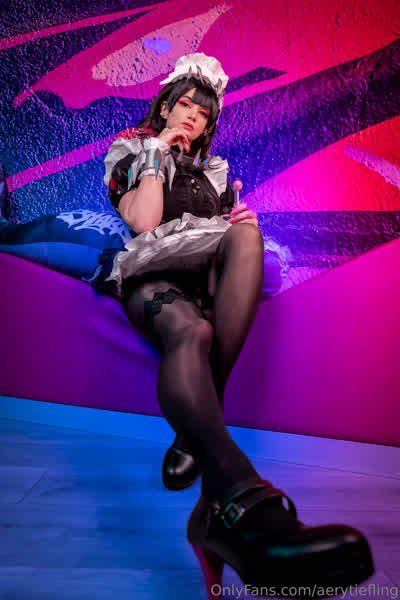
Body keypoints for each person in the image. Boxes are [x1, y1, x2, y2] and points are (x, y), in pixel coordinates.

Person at [103, 53, 374, 598]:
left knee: (250, 233)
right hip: (153, 277)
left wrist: (234, 222)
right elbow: (144, 221)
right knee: (194, 333)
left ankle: (195, 438)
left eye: (203, 113)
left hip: (204, 276)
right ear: (165, 106)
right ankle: (237, 500)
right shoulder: (129, 151)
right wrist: (156, 153)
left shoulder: (217, 172)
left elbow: (224, 239)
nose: (192, 117)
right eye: (184, 105)